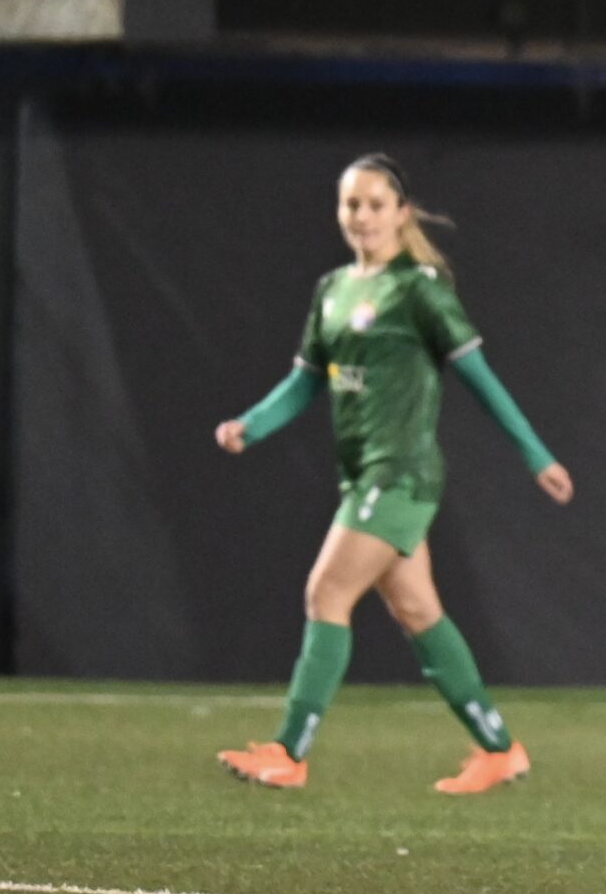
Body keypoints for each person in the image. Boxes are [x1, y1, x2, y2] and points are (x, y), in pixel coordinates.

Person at [212, 154, 573, 793]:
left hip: (400, 473)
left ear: (401, 214)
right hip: (362, 476)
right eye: (352, 204)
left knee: (326, 593)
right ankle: (499, 748)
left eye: (376, 204)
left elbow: (480, 380)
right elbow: (306, 383)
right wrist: (251, 424)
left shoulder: (420, 289)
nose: (363, 216)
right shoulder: (332, 290)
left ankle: (289, 752)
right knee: (417, 610)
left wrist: (535, 453)